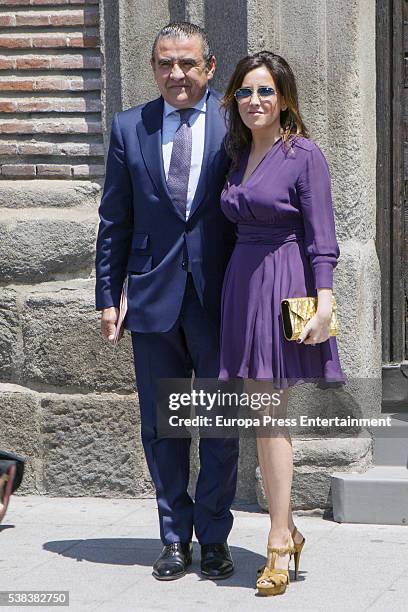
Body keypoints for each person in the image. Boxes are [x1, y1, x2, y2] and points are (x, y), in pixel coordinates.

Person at [95, 22, 239, 581]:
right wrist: (108, 294)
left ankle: (216, 536)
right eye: (164, 63)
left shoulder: (237, 123)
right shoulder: (129, 126)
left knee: (222, 424)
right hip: (153, 297)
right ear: (153, 67)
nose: (175, 74)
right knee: (164, 426)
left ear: (209, 66)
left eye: (186, 63)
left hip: (220, 296)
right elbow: (115, 219)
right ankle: (174, 539)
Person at [219, 51, 347, 596]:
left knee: (271, 414)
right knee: (260, 413)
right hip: (242, 284)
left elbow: (322, 236)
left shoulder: (303, 154)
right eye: (246, 92)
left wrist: (324, 303)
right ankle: (287, 528)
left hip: (286, 283)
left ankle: (276, 542)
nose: (255, 102)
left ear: (285, 97)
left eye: (265, 92)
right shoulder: (238, 152)